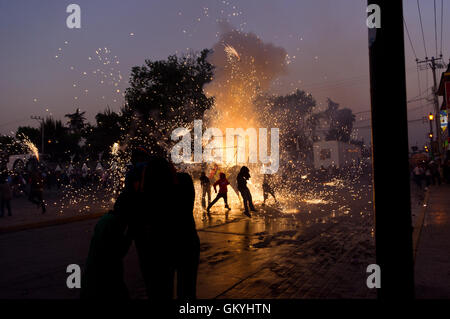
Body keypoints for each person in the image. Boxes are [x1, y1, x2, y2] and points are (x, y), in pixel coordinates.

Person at [80, 209, 132, 299]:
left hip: (93, 276)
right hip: (103, 277)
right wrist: (129, 235)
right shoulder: (113, 223)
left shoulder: (106, 219)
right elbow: (118, 252)